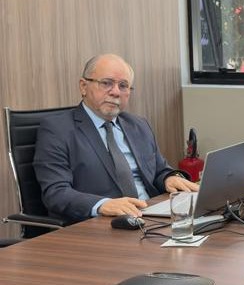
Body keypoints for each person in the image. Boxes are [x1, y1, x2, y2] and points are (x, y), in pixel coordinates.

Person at [34, 54, 198, 223]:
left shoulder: (138, 125)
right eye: (106, 83)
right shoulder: (57, 130)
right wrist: (102, 205)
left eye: (123, 86)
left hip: (152, 215)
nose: (115, 92)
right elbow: (56, 192)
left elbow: (159, 170)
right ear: (83, 86)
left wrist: (169, 178)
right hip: (102, 224)